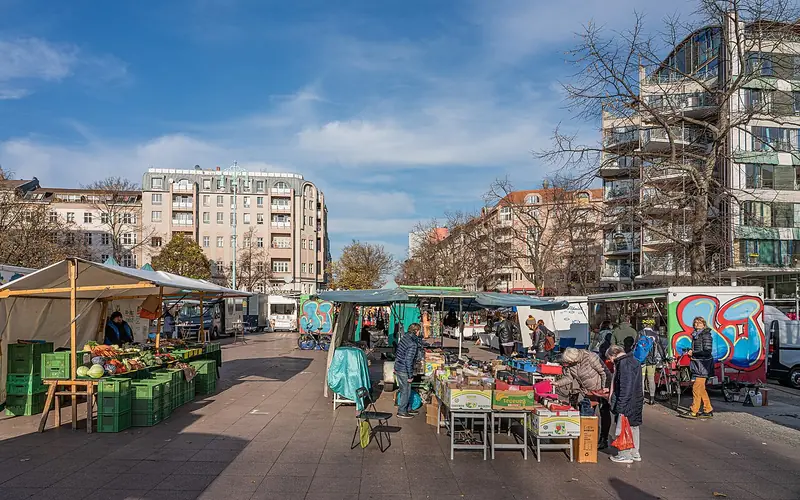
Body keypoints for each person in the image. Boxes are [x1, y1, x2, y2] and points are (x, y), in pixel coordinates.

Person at [606, 344, 644, 464]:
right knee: (633, 426)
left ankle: (624, 454)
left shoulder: (623, 364)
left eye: (610, 358)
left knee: (622, 427)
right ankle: (634, 452)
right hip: (636, 399)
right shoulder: (634, 361)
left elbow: (625, 386)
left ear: (613, 355)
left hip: (627, 401)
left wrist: (620, 405)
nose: (610, 362)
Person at [685, 316, 714, 419]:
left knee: (696, 388)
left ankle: (694, 410)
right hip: (698, 364)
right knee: (701, 389)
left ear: (704, 324)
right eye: (696, 323)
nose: (697, 325)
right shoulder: (696, 335)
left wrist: (694, 353)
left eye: (699, 323)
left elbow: (707, 351)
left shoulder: (705, 335)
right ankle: (708, 409)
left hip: (703, 365)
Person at [394, 323, 424, 419]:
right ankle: (402, 411)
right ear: (416, 331)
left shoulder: (405, 338)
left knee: (406, 390)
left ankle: (408, 408)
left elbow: (398, 353)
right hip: (404, 370)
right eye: (419, 330)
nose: (420, 332)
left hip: (399, 367)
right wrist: (410, 375)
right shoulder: (412, 343)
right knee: (405, 391)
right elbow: (408, 360)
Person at [636, 318, 666, 405]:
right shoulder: (655, 335)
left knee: (641, 379)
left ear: (643, 325)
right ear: (652, 325)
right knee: (651, 379)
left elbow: (635, 346)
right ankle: (652, 398)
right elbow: (660, 347)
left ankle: (641, 398)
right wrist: (663, 357)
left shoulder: (640, 334)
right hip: (652, 360)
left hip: (641, 359)